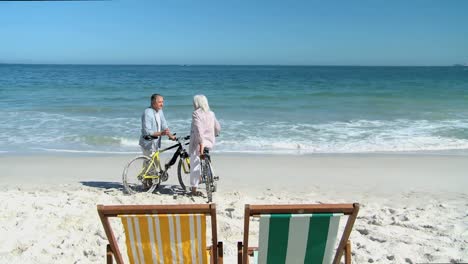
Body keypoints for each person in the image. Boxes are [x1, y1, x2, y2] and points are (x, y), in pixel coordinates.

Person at [189, 95, 221, 196]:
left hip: (198, 143)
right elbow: (217, 127)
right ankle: (211, 179)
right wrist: (215, 134)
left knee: (195, 165)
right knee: (206, 159)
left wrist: (201, 143)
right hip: (209, 142)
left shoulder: (196, 113)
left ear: (197, 103)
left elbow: (199, 130)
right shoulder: (211, 113)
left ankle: (194, 189)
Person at [139, 93, 176, 158]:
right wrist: (161, 133)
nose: (162, 104)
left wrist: (170, 135)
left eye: (162, 102)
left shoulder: (160, 111)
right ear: (153, 103)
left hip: (156, 143)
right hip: (148, 143)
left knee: (153, 165)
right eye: (159, 102)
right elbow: (148, 132)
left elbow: (164, 125)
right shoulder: (147, 113)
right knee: (150, 166)